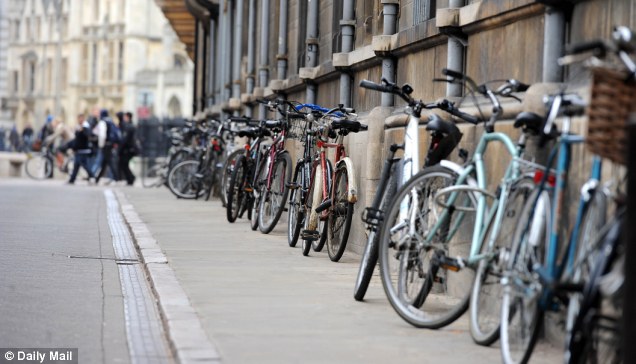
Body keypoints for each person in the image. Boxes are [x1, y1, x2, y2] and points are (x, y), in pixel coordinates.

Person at [92, 109, 120, 183]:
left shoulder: (102, 122)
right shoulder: (110, 121)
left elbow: (102, 135)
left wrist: (101, 145)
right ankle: (97, 179)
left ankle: (116, 178)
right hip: (110, 144)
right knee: (105, 162)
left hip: (105, 144)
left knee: (109, 162)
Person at [68, 114, 95, 184]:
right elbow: (76, 139)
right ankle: (72, 179)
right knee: (76, 165)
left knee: (84, 165)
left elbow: (87, 136)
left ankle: (92, 176)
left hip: (84, 149)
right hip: (79, 149)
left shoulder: (86, 127)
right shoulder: (79, 127)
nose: (80, 120)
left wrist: (82, 130)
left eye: (81, 119)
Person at [118, 111, 138, 186]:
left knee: (124, 164)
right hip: (130, 148)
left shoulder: (129, 126)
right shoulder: (131, 125)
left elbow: (125, 139)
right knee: (124, 164)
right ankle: (130, 178)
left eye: (125, 117)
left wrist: (120, 148)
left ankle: (131, 178)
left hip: (128, 149)